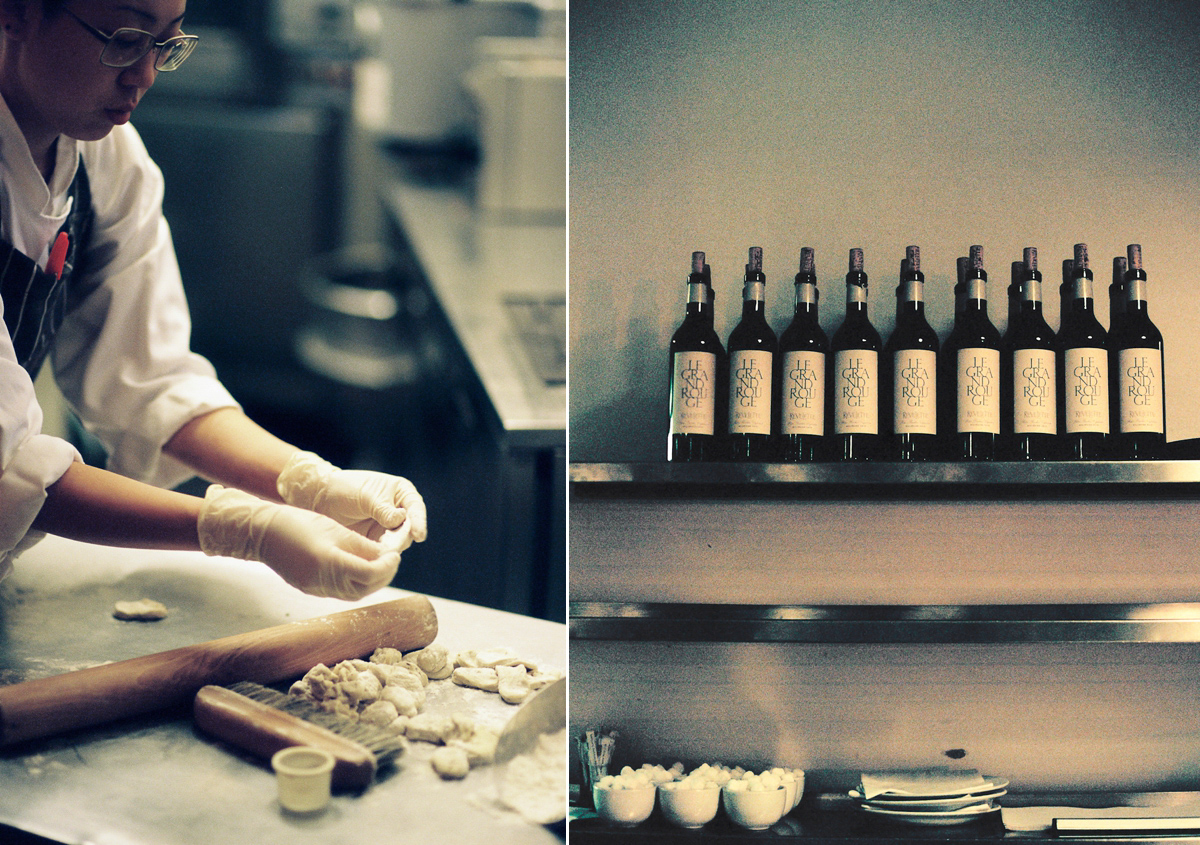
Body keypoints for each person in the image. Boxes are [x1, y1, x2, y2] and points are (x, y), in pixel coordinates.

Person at [0, 0, 427, 600]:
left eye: (166, 43)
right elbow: (6, 467)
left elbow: (150, 380)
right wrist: (242, 530)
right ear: (16, 13)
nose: (143, 74)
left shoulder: (104, 158)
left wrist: (311, 480)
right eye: (123, 39)